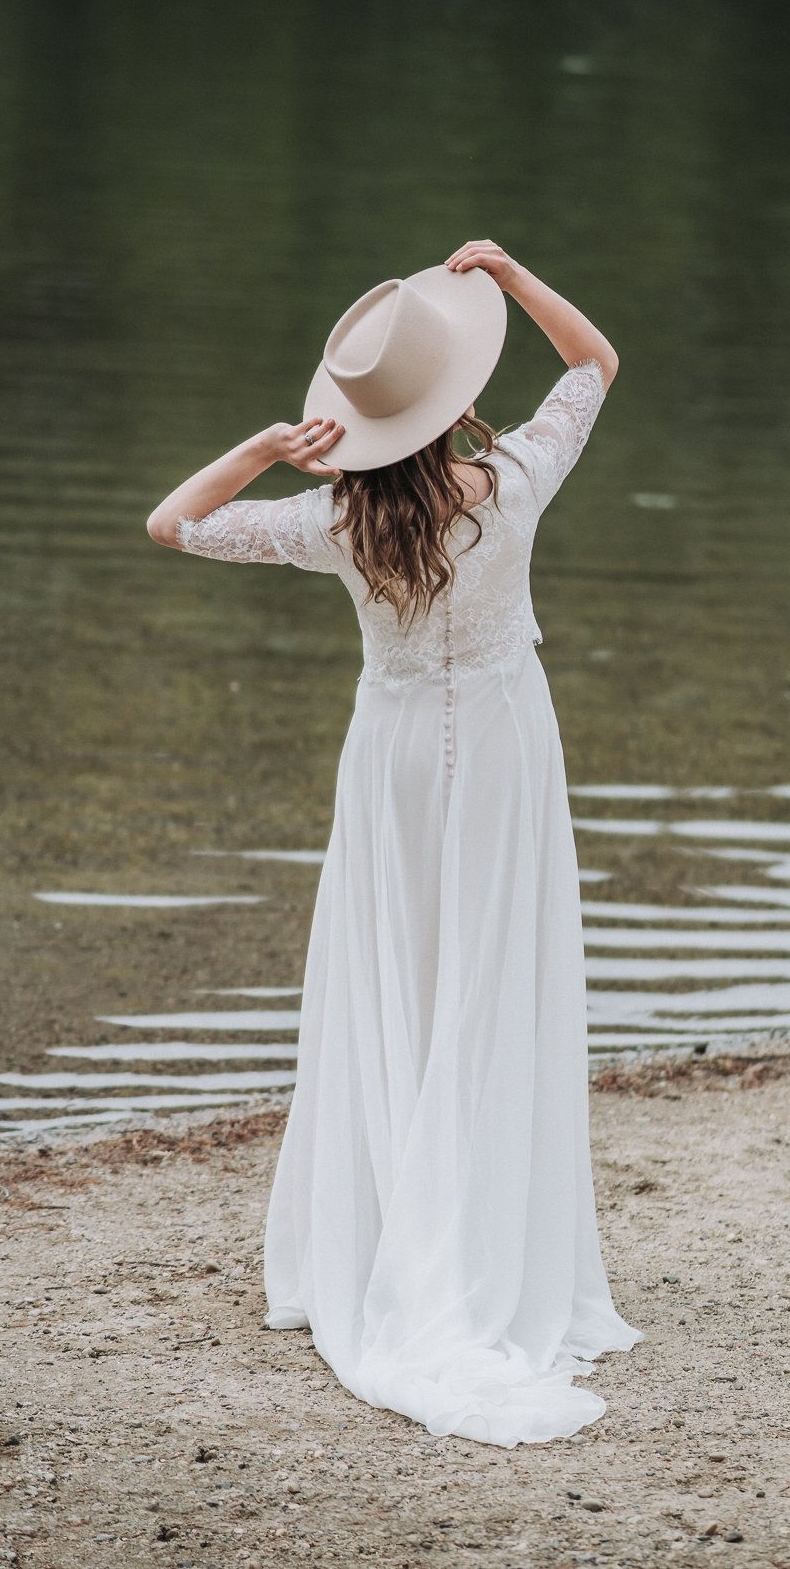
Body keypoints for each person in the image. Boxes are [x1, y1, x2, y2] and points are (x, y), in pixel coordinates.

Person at [147, 240, 641, 1448]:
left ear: (354, 427)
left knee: (397, 980)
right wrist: (515, 277)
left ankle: (383, 1231)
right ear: (459, 401)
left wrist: (269, 448)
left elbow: (172, 524)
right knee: (491, 974)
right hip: (510, 748)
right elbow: (598, 361)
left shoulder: (329, 521)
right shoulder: (516, 477)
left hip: (395, 758)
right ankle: (482, 1237)